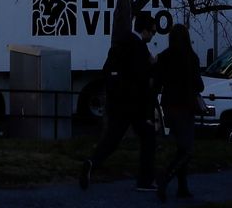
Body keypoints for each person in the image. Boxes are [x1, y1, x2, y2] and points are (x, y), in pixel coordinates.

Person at [80, 11, 158, 193]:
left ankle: (92, 162)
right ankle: (145, 180)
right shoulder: (139, 48)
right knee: (148, 138)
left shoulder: (122, 43)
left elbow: (108, 69)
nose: (153, 35)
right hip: (134, 104)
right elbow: (142, 78)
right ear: (145, 31)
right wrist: (153, 65)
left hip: (117, 103)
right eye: (152, 31)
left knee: (112, 139)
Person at [154, 23, 204, 201]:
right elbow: (199, 84)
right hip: (185, 106)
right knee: (187, 149)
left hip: (169, 105)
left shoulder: (164, 57)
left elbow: (157, 83)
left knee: (180, 147)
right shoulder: (191, 57)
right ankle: (167, 177)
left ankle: (182, 187)